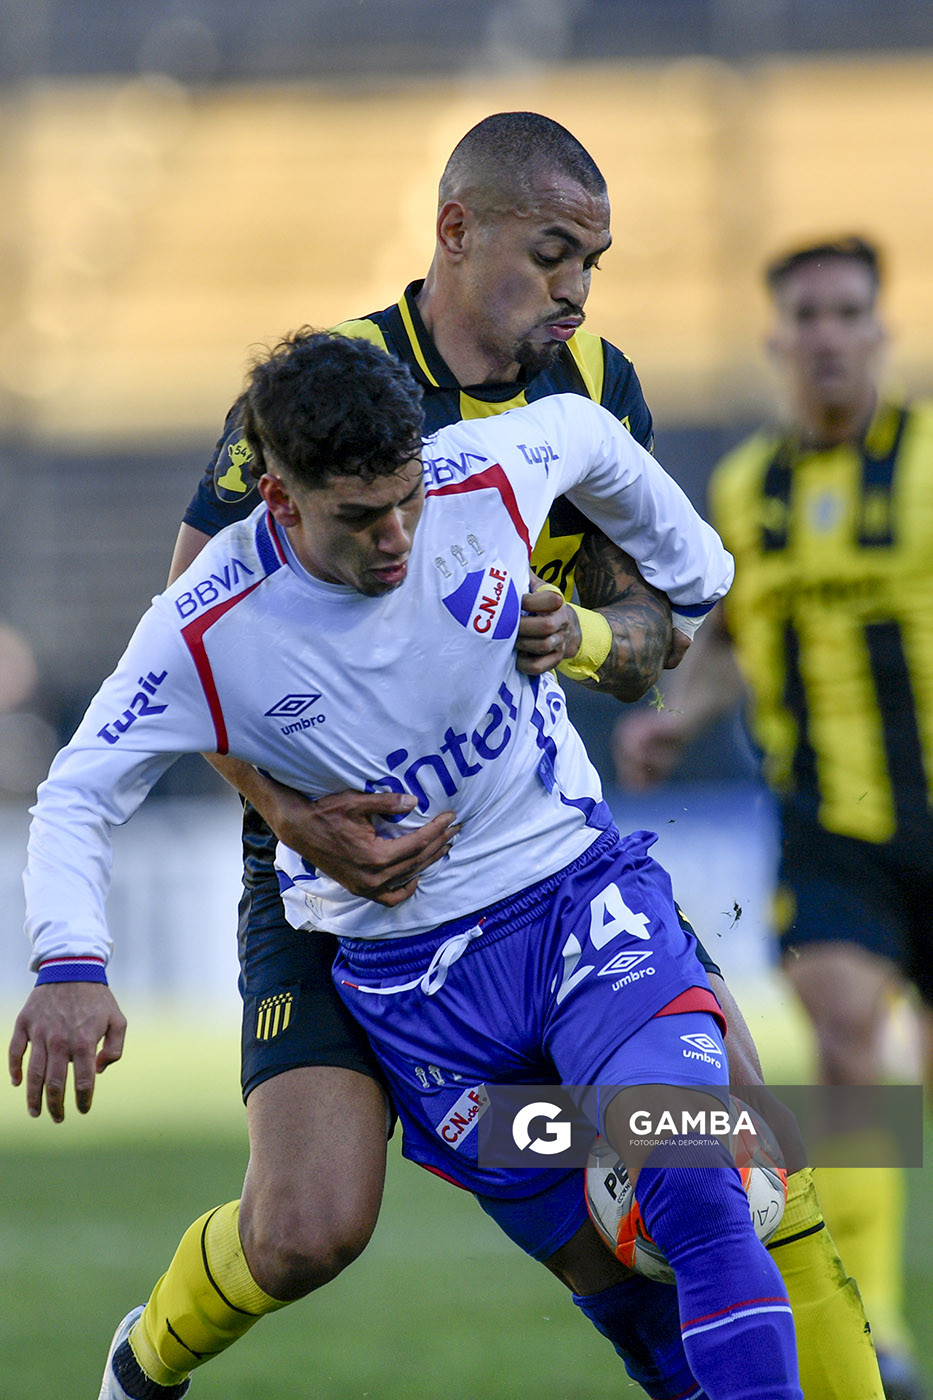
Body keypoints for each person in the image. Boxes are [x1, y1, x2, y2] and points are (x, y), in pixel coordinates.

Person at [11, 116, 879, 1399]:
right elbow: (176, 679)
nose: (577, 287)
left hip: (554, 868)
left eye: (594, 258)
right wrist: (284, 823)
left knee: (722, 1157)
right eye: (552, 254)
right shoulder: (317, 396)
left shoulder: (568, 411)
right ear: (458, 232)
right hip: (345, 892)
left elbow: (666, 623)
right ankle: (141, 1365)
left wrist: (582, 630)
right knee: (316, 1224)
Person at [614, 235, 930, 1400]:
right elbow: (734, 638)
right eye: (810, 314)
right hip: (829, 819)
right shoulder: (749, 487)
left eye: (852, 310)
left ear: (882, 329)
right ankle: (880, 1324)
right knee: (849, 1031)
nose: (832, 333)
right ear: (778, 340)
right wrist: (674, 717)